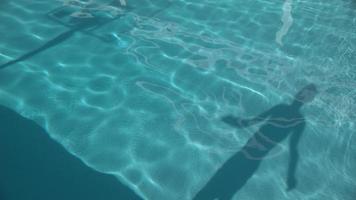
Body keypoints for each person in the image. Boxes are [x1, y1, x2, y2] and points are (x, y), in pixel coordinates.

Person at [194, 84, 318, 200]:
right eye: (303, 92)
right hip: (247, 161)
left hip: (243, 160)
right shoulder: (288, 114)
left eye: (308, 95)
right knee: (219, 193)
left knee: (212, 192)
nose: (302, 95)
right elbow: (247, 124)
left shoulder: (296, 120)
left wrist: (291, 176)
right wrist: (227, 119)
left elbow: (293, 150)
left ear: (309, 100)